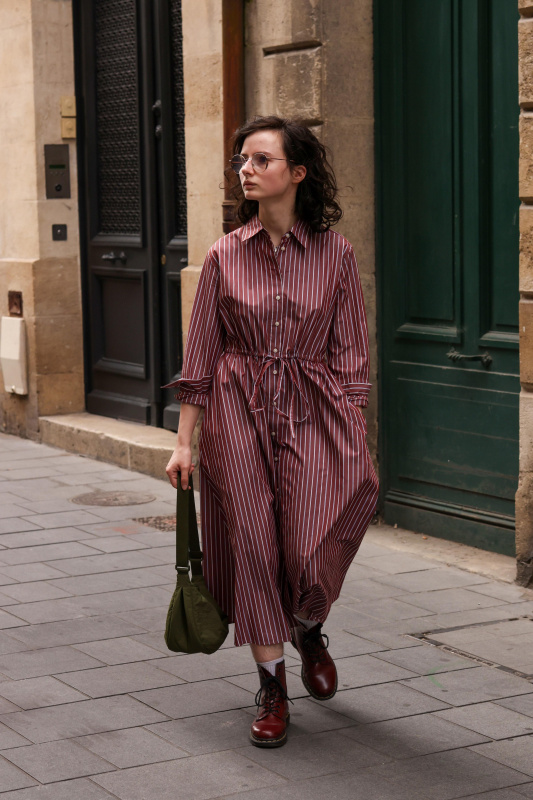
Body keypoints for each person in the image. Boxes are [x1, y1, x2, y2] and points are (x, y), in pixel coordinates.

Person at [165, 115, 379, 748]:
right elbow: (200, 354)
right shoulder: (224, 254)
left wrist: (352, 428)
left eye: (260, 159)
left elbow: (352, 354)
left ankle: (309, 625)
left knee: (316, 543)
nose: (246, 170)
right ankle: (272, 685)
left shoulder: (336, 253)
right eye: (242, 162)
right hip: (236, 415)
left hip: (315, 409)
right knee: (255, 549)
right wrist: (184, 440)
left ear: (297, 172)